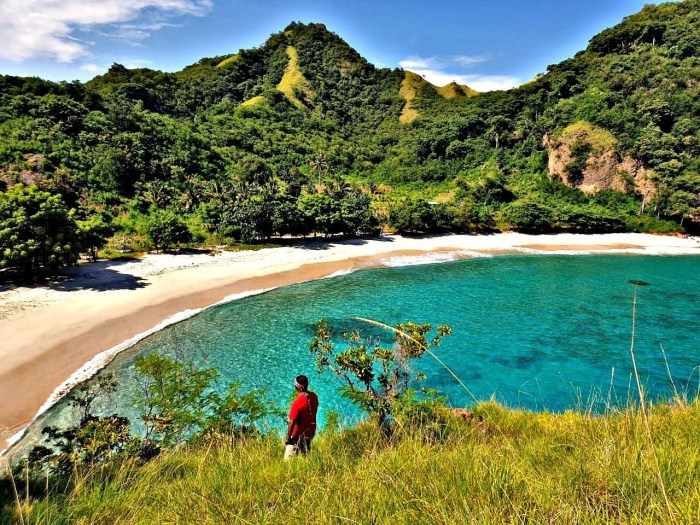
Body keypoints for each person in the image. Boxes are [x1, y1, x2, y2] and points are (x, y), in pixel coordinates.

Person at [284, 374, 318, 460]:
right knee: (306, 458)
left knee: (288, 462)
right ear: (307, 384)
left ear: (296, 387)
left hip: (297, 436)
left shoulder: (297, 402)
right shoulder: (314, 396)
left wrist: (288, 438)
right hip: (310, 432)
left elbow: (291, 422)